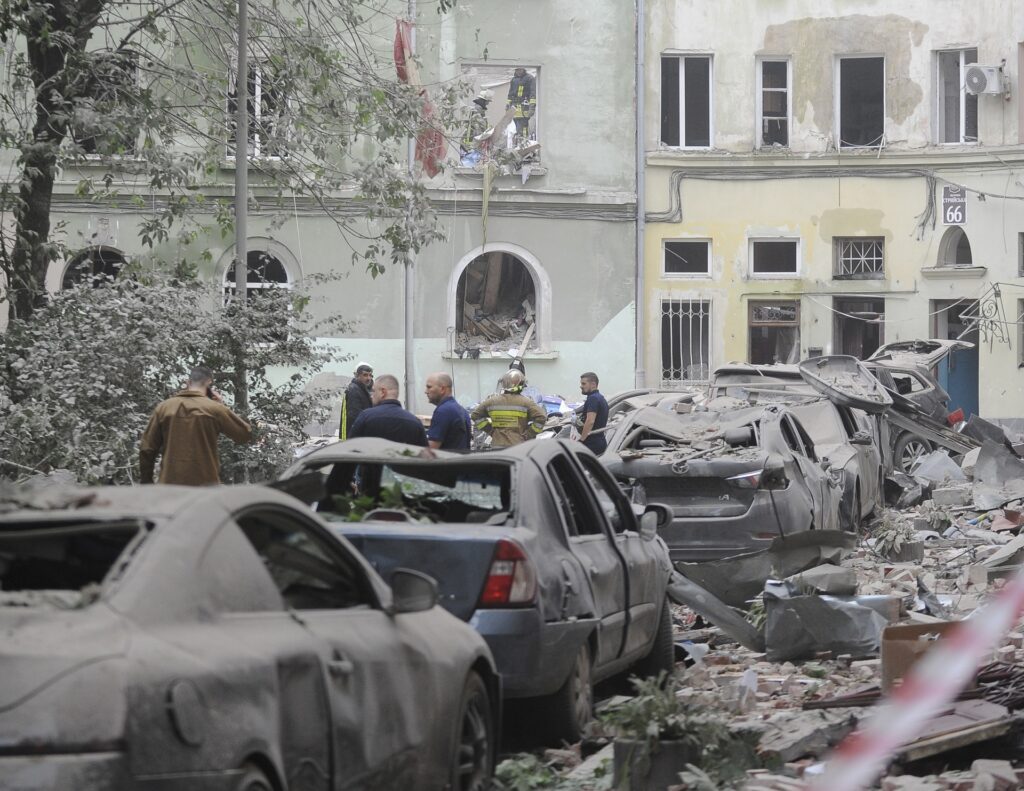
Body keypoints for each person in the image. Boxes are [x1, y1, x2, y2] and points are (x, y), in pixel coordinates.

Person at [140, 366, 252, 485]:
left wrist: (147, 482)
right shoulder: (215, 409)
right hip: (205, 484)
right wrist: (221, 406)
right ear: (209, 383)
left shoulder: (164, 407)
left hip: (170, 484)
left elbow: (147, 448)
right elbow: (244, 434)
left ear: (188, 382)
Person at [472, 370, 548, 448]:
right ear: (521, 386)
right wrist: (528, 435)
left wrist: (490, 431)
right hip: (518, 445)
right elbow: (542, 417)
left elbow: (475, 415)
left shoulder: (491, 401)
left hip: (497, 444)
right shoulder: (526, 402)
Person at [348, 374, 427, 446]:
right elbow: (424, 454)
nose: (371, 396)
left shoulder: (366, 417)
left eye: (374, 391)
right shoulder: (415, 422)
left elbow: (349, 448)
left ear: (383, 392)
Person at [424, 372, 472, 451]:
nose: (426, 391)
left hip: (447, 459)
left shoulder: (443, 411)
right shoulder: (462, 410)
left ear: (442, 389)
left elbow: (431, 450)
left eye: (429, 387)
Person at [577, 371, 609, 456]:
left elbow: (590, 421)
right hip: (599, 442)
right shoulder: (600, 398)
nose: (581, 386)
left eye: (584, 384)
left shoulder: (593, 399)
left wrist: (581, 440)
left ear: (593, 384)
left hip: (592, 444)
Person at [339, 363, 373, 439]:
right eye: (365, 375)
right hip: (355, 435)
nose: (368, 378)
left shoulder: (364, 389)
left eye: (370, 375)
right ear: (357, 376)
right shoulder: (353, 390)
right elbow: (355, 416)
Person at [461, 89, 493, 165]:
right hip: (473, 143)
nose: (488, 104)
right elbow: (478, 130)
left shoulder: (478, 110)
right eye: (487, 102)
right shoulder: (477, 111)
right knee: (473, 162)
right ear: (484, 101)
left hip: (472, 142)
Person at [506, 67, 536, 143]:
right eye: (516, 70)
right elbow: (510, 94)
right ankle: (517, 143)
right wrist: (507, 106)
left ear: (523, 69)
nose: (518, 71)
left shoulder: (530, 78)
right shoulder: (513, 80)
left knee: (524, 126)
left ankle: (524, 142)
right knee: (516, 128)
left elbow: (533, 94)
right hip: (514, 107)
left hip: (524, 107)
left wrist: (532, 108)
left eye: (519, 70)